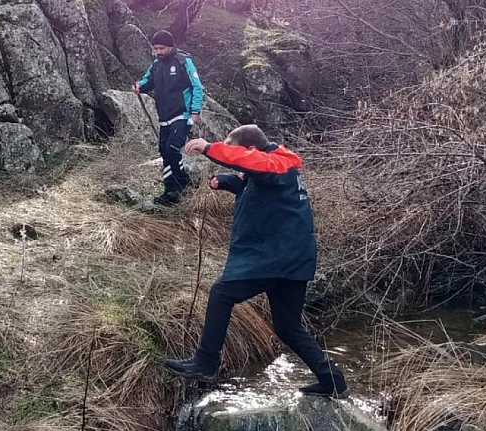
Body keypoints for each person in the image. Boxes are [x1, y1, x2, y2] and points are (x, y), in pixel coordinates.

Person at [163, 124, 349, 398]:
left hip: (277, 258)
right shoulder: (277, 168)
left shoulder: (276, 164)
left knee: (222, 293)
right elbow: (254, 184)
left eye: (237, 153)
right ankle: (332, 380)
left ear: (251, 149)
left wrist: (208, 148)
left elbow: (255, 166)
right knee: (288, 327)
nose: (237, 160)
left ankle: (206, 362)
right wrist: (226, 182)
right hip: (292, 259)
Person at [132, 30, 204, 206]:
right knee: (164, 152)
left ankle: (182, 183)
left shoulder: (183, 61)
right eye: (155, 48)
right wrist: (139, 86)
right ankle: (169, 190)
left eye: (161, 48)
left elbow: (197, 87)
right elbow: (147, 81)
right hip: (164, 117)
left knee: (172, 148)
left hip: (182, 115)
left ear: (171, 46)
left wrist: (195, 111)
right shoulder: (156, 64)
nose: (158, 52)